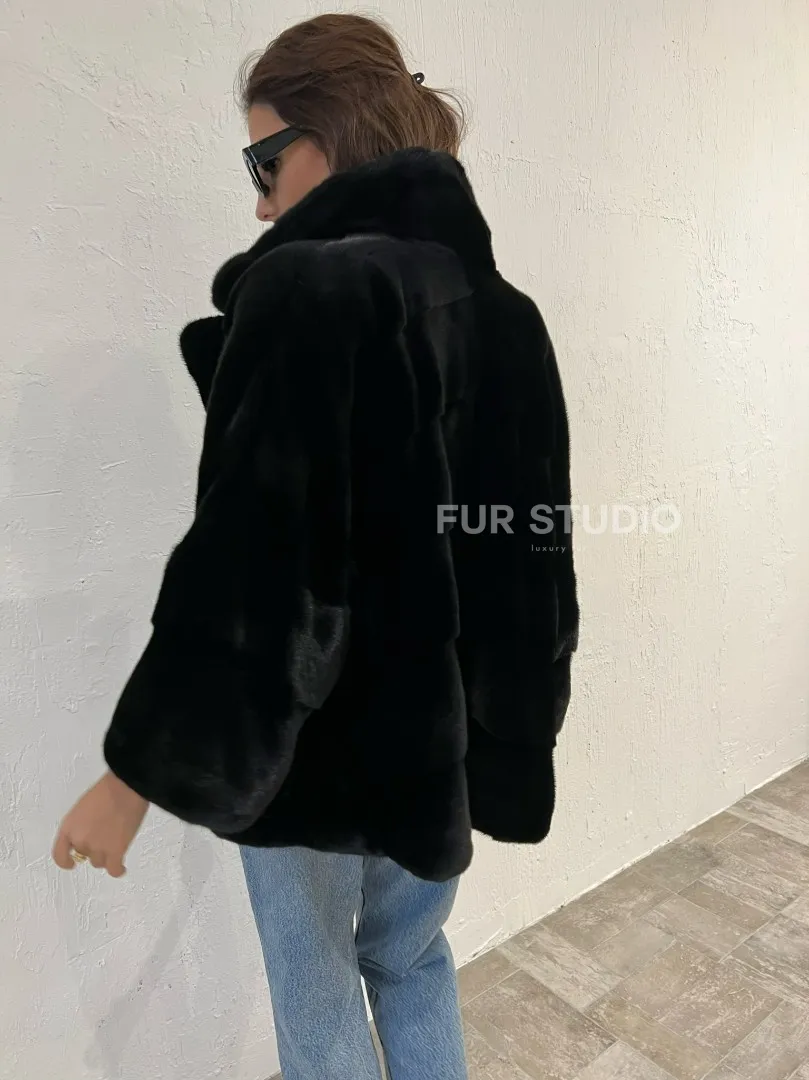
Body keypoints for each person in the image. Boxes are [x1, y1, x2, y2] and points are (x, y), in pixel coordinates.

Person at [52, 13, 578, 1080]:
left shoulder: (311, 291)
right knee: (412, 959)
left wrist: (137, 775)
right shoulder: (504, 312)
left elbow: (259, 571)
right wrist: (512, 739)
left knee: (315, 990)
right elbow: (535, 560)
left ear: (328, 136)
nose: (257, 201)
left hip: (318, 749)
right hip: (442, 749)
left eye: (264, 161)